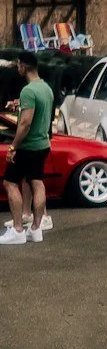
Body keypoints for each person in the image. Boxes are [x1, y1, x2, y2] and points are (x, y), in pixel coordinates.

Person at [2, 53, 56, 244]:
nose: (18, 69)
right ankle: (36, 229)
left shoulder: (28, 90)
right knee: (37, 182)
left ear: (24, 67)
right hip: (43, 144)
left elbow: (25, 123)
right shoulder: (46, 88)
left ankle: (17, 230)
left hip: (28, 146)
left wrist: (13, 146)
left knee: (9, 183)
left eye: (18, 66)